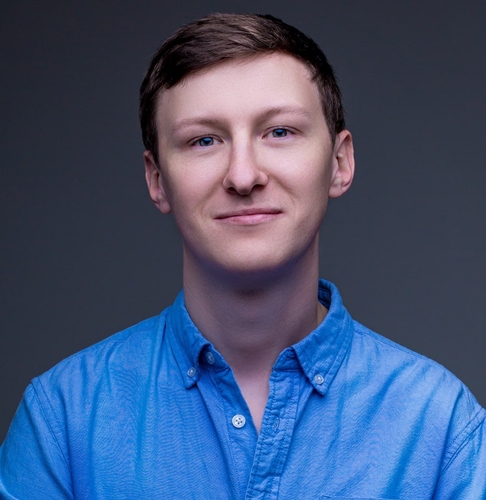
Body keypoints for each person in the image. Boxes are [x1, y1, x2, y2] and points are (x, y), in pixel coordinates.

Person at [1, 13, 485, 499]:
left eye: (279, 132)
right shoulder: (63, 420)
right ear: (156, 179)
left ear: (339, 163)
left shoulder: (442, 427)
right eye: (204, 140)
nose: (243, 175)